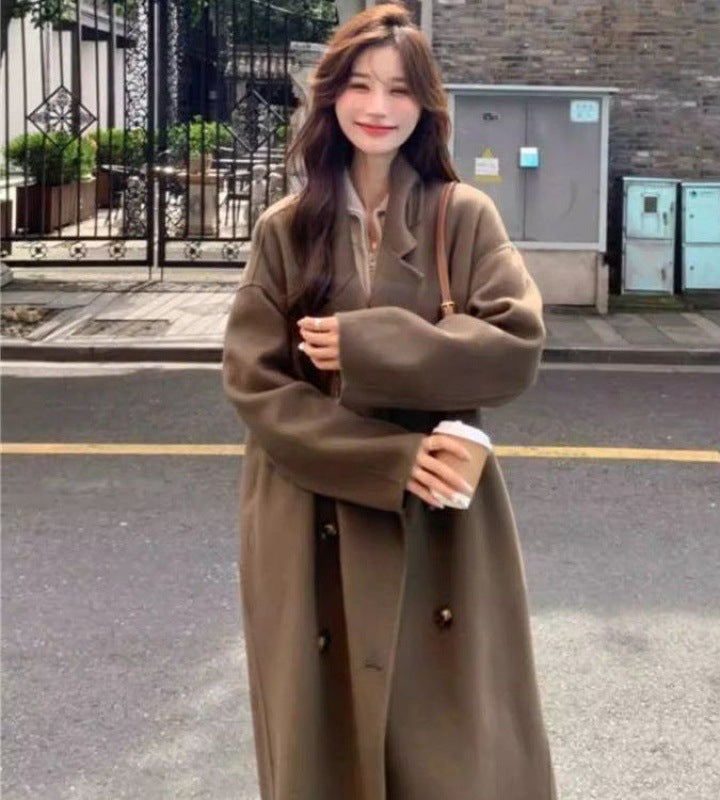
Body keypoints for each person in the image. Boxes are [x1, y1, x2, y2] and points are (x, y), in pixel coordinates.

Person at [222, 5, 557, 799]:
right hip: (309, 512)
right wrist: (392, 458)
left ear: (426, 105)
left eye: (401, 89)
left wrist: (366, 347)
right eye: (361, 85)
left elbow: (515, 346)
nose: (379, 107)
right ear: (331, 95)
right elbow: (254, 382)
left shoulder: (461, 215)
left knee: (452, 746)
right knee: (324, 741)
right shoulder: (284, 230)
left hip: (440, 521)